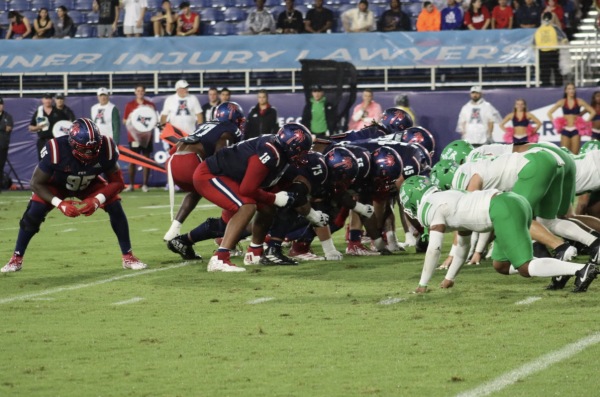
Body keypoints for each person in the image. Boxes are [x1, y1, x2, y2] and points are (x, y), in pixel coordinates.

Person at [400, 176, 599, 294]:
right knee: (501, 265)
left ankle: (581, 269)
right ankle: (561, 272)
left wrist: (423, 284)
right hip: (510, 201)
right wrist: (450, 278)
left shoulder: (429, 206)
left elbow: (434, 248)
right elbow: (462, 247)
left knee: (524, 267)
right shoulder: (448, 198)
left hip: (502, 209)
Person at [2, 118, 147, 273]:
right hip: (58, 183)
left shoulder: (107, 147)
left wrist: (97, 200)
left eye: (94, 148)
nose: (91, 153)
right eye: (85, 149)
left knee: (115, 206)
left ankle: (128, 256)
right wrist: (60, 203)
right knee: (33, 214)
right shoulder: (56, 148)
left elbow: (118, 182)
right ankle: (16, 259)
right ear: (73, 143)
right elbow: (36, 183)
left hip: (89, 182)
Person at [179, 123, 313, 272]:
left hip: (231, 177)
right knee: (247, 206)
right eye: (300, 151)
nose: (302, 155)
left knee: (267, 208)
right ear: (289, 146)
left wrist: (271, 200)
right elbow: (248, 189)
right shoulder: (270, 153)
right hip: (210, 174)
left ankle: (254, 254)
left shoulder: (277, 150)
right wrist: (274, 198)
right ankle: (219, 258)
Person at [163, 102, 244, 244]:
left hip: (172, 162)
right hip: (191, 162)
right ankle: (225, 235)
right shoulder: (228, 129)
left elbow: (174, 150)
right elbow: (221, 155)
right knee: (232, 194)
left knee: (196, 191)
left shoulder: (204, 125)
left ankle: (174, 229)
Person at [123, 85, 157, 193]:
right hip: (133, 137)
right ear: (135, 92)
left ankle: (145, 185)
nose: (140, 92)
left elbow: (154, 121)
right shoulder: (130, 105)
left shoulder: (150, 105)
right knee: (132, 161)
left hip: (147, 137)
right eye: (138, 91)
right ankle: (131, 185)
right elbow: (124, 121)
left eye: (142, 91)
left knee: (146, 160)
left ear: (145, 92)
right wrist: (131, 119)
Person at [547, 83, 595, 154]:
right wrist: (556, 124)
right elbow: (549, 113)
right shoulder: (562, 102)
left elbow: (592, 112)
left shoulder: (579, 101)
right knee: (564, 153)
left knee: (575, 154)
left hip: (575, 130)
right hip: (565, 129)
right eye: (569, 89)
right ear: (566, 91)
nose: (571, 90)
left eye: (573, 88)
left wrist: (585, 123)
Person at [29, 93, 69, 160]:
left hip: (55, 141)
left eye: (49, 98)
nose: (47, 100)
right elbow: (31, 127)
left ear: (52, 100)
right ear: (42, 100)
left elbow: (67, 123)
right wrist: (37, 128)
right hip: (43, 141)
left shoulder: (58, 112)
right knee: (43, 162)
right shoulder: (39, 112)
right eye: (46, 98)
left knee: (56, 160)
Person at [534, 12, 568, 87]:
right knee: (549, 71)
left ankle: (552, 85)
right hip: (548, 53)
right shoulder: (551, 28)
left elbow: (563, 39)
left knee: (550, 71)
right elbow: (564, 40)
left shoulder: (540, 29)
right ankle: (551, 85)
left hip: (547, 53)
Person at [0, 98, 14, 189]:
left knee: (0, 166)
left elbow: (9, 128)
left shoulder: (7, 116)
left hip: (2, 145)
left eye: (0, 104)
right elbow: (5, 128)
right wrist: (2, 127)